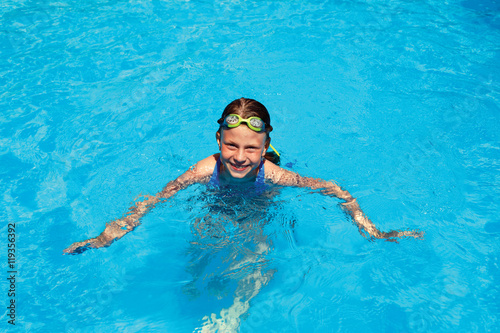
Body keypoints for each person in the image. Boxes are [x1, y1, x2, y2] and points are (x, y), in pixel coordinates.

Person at [64, 97, 422, 255]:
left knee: (257, 251)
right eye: (231, 145)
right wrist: (106, 236)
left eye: (251, 148)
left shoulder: (273, 173)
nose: (238, 157)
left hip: (259, 205)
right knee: (202, 242)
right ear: (218, 139)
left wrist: (373, 231)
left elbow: (335, 191)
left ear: (266, 145)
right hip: (217, 202)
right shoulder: (206, 169)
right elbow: (153, 201)